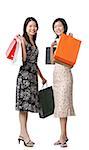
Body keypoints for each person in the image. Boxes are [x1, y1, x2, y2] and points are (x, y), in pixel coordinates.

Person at [16, 17, 47, 147]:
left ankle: (22, 133)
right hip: (24, 78)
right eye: (30, 26)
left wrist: (42, 77)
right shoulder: (23, 40)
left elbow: (35, 63)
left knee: (27, 108)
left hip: (33, 77)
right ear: (25, 28)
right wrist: (22, 43)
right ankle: (24, 134)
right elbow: (24, 60)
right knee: (23, 107)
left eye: (34, 26)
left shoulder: (34, 42)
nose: (33, 28)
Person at [50, 18, 75, 148]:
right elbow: (51, 61)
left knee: (64, 105)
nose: (58, 28)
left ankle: (63, 137)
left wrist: (69, 43)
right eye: (55, 27)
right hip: (56, 75)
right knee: (60, 106)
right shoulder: (55, 42)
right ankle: (63, 135)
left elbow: (71, 63)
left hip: (65, 75)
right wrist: (51, 47)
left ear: (64, 27)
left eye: (60, 26)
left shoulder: (69, 40)